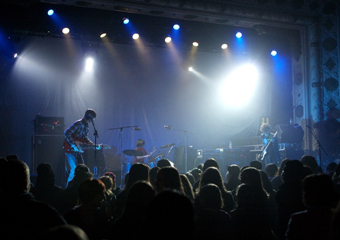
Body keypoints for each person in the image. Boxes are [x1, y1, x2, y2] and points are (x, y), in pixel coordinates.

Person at [64, 108, 99, 187]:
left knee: (82, 170)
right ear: (89, 116)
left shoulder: (87, 126)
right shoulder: (78, 123)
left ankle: (80, 188)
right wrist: (73, 144)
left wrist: (94, 145)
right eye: (92, 117)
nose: (92, 120)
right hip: (70, 149)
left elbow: (85, 139)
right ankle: (67, 189)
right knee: (74, 170)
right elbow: (66, 133)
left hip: (78, 150)